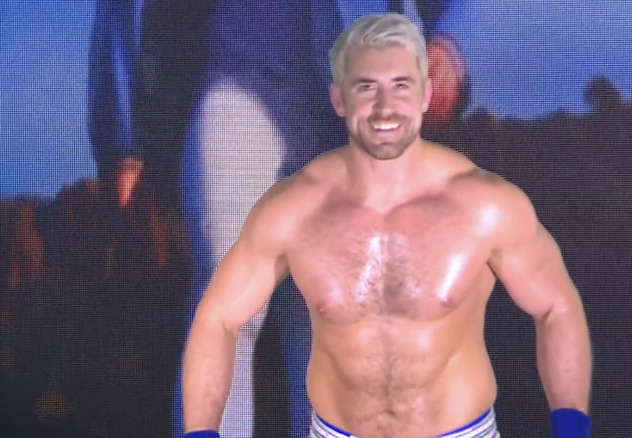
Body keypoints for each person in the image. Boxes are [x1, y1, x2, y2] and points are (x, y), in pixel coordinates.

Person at [182, 13, 591, 438]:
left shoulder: (484, 204)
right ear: (340, 99)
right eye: (368, 89)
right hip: (249, 71)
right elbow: (219, 319)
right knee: (317, 305)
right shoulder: (288, 210)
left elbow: (556, 305)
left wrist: (572, 430)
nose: (384, 107)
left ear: (425, 94)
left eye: (400, 87)